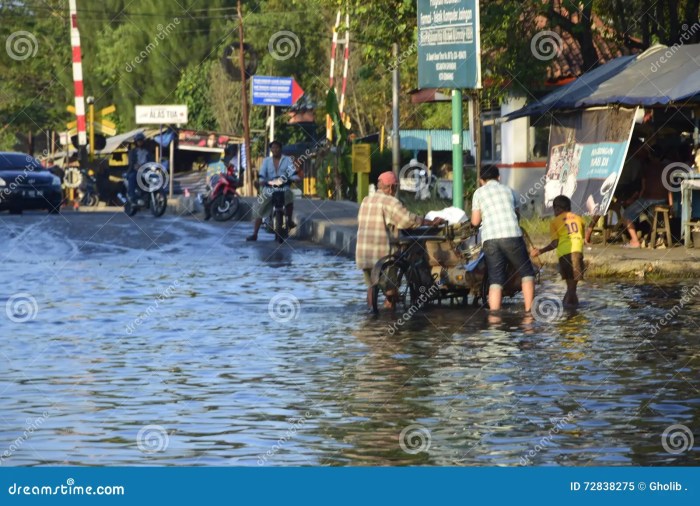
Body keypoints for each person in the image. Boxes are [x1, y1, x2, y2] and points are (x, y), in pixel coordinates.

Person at [356, 171, 443, 311]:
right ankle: (391, 313)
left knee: (372, 285)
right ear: (391, 188)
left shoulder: (366, 200)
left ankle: (371, 316)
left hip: (363, 254)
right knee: (390, 288)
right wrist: (429, 222)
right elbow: (407, 220)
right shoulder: (390, 201)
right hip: (382, 254)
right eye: (395, 188)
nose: (395, 191)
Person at [471, 164, 535, 312]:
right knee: (526, 272)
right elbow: (517, 215)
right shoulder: (510, 191)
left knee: (495, 279)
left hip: (490, 239)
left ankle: (494, 317)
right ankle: (529, 312)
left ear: (481, 180)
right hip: (512, 235)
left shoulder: (479, 193)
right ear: (499, 178)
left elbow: (475, 221)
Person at [531, 195, 585, 306]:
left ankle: (567, 311)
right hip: (577, 253)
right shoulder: (579, 219)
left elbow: (555, 243)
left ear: (557, 209)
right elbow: (581, 237)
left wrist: (540, 251)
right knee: (572, 288)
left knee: (571, 289)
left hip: (565, 255)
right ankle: (571, 312)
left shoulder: (555, 222)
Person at [620, 146, 672, 248]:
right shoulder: (667, 169)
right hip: (662, 199)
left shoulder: (646, 168)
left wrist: (634, 199)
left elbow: (643, 189)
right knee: (652, 217)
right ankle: (655, 238)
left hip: (647, 199)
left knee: (626, 215)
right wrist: (671, 205)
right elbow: (669, 190)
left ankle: (635, 241)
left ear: (651, 156)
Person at [246, 141, 298, 241]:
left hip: (284, 188)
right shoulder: (266, 161)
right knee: (260, 208)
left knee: (289, 197)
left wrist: (295, 178)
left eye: (277, 147)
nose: (275, 150)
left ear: (280, 149)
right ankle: (255, 234)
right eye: (273, 148)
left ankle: (290, 220)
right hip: (269, 189)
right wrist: (261, 181)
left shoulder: (287, 160)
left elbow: (292, 173)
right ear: (271, 150)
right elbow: (262, 174)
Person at [126, 132, 153, 203]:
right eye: (138, 141)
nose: (140, 142)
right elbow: (131, 162)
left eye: (141, 140)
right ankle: (132, 196)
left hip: (146, 171)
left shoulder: (148, 152)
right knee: (132, 177)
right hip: (136, 171)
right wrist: (135, 166)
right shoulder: (132, 152)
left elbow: (152, 161)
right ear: (136, 142)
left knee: (156, 178)